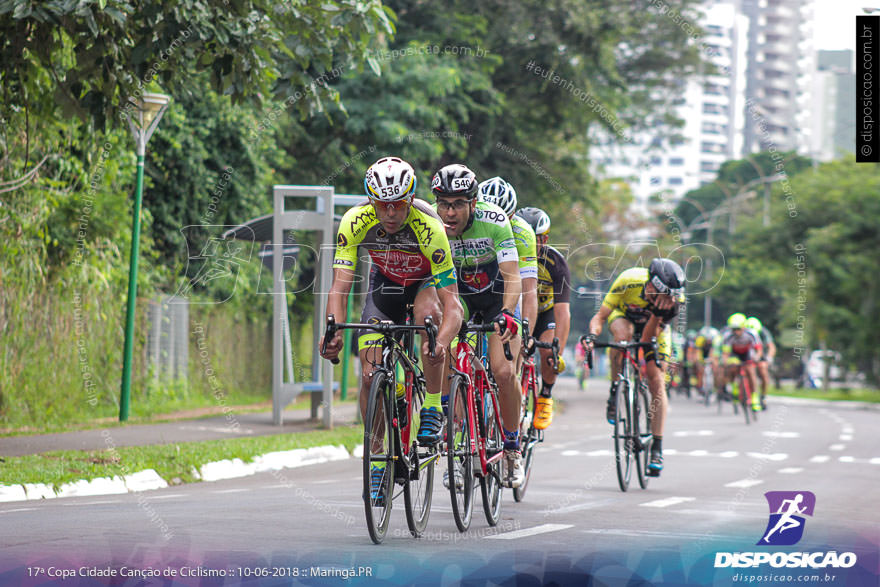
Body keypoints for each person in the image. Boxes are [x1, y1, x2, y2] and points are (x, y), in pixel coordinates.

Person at [319, 156, 464, 504]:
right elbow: (338, 288)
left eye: (398, 204)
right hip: (384, 286)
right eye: (382, 205)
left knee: (429, 320)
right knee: (370, 377)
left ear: (410, 198)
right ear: (371, 201)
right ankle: (378, 458)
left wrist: (440, 342)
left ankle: (430, 405)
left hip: (425, 283)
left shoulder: (430, 227)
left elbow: (454, 307)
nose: (390, 213)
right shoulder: (355, 222)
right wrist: (332, 332)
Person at [431, 164, 524, 488]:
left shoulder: (494, 219)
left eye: (458, 204)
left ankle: (512, 447)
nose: (449, 212)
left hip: (498, 298)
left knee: (502, 371)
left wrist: (509, 312)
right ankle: (453, 443)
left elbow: (513, 276)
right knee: (440, 351)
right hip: (462, 299)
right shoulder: (432, 223)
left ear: (473, 203)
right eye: (443, 203)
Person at [584, 258, 686, 477]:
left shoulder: (672, 303)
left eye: (669, 297)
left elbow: (649, 338)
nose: (665, 300)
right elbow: (600, 316)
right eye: (661, 295)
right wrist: (592, 337)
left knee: (657, 380)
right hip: (623, 317)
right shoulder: (628, 281)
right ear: (650, 285)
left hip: (655, 327)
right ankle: (615, 389)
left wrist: (658, 312)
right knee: (622, 337)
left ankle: (657, 446)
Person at [514, 207, 571, 431]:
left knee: (548, 353)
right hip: (520, 310)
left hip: (545, 313)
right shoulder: (511, 252)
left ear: (544, 239)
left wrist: (559, 351)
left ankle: (545, 395)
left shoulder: (556, 263)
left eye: (532, 238)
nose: (525, 241)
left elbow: (563, 312)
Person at [477, 176, 539, 352]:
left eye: (504, 218)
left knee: (513, 356)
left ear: (512, 215)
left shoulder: (524, 233)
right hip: (475, 285)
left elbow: (529, 290)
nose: (497, 224)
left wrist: (527, 334)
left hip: (505, 290)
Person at [719, 313, 763, 411]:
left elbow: (758, 349)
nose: (736, 332)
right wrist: (725, 361)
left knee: (751, 371)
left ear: (743, 327)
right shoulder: (728, 336)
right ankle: (734, 387)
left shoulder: (751, 333)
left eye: (738, 329)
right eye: (733, 329)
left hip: (747, 353)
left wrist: (757, 357)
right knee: (732, 367)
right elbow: (725, 353)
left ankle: (755, 397)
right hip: (734, 354)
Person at [747, 316, 776, 410]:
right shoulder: (745, 333)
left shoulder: (764, 332)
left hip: (761, 354)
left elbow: (771, 347)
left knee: (763, 369)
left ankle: (763, 396)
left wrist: (769, 357)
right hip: (748, 354)